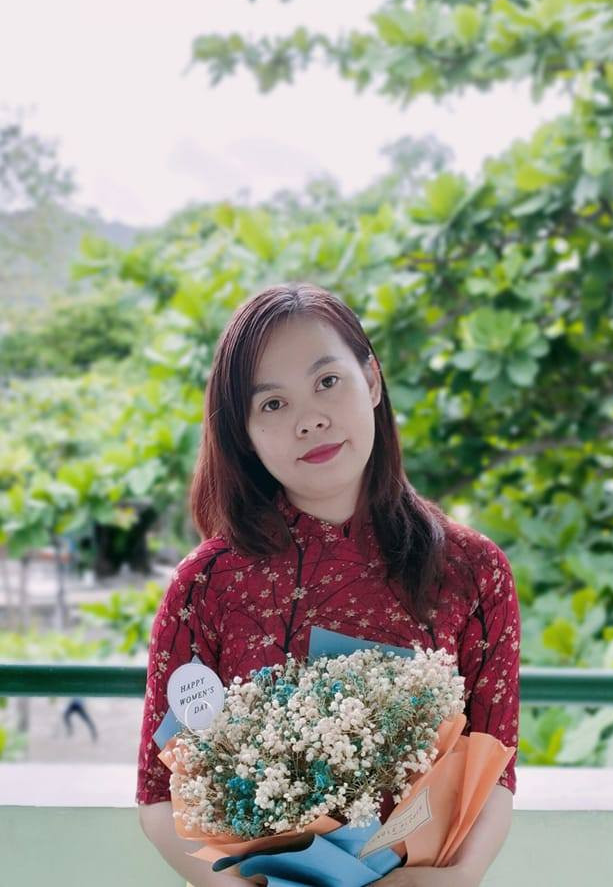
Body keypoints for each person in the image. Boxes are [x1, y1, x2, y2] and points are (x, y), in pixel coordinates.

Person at [136, 283, 520, 887]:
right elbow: (161, 794)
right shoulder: (205, 586)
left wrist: (455, 878)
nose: (310, 419)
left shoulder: (473, 570)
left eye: (327, 382)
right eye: (273, 404)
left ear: (372, 380)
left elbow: (496, 763)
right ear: (244, 432)